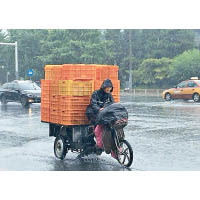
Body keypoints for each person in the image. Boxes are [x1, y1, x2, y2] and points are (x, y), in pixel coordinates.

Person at [86, 79, 114, 155]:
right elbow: (93, 103)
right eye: (107, 87)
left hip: (103, 113)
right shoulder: (96, 93)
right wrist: (99, 108)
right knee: (97, 125)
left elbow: (112, 104)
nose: (109, 89)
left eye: (110, 88)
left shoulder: (109, 95)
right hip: (93, 112)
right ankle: (95, 142)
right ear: (104, 87)